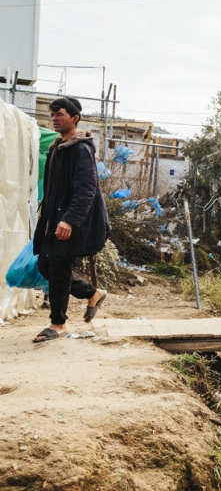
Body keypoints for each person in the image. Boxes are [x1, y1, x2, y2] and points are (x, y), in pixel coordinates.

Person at [32, 97, 110, 343]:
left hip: (69, 221)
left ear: (74, 118)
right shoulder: (57, 146)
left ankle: (58, 323)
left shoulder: (81, 149)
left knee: (57, 268)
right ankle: (93, 293)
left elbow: (87, 189)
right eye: (52, 114)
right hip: (53, 219)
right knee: (46, 266)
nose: (54, 118)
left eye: (60, 114)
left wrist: (69, 220)